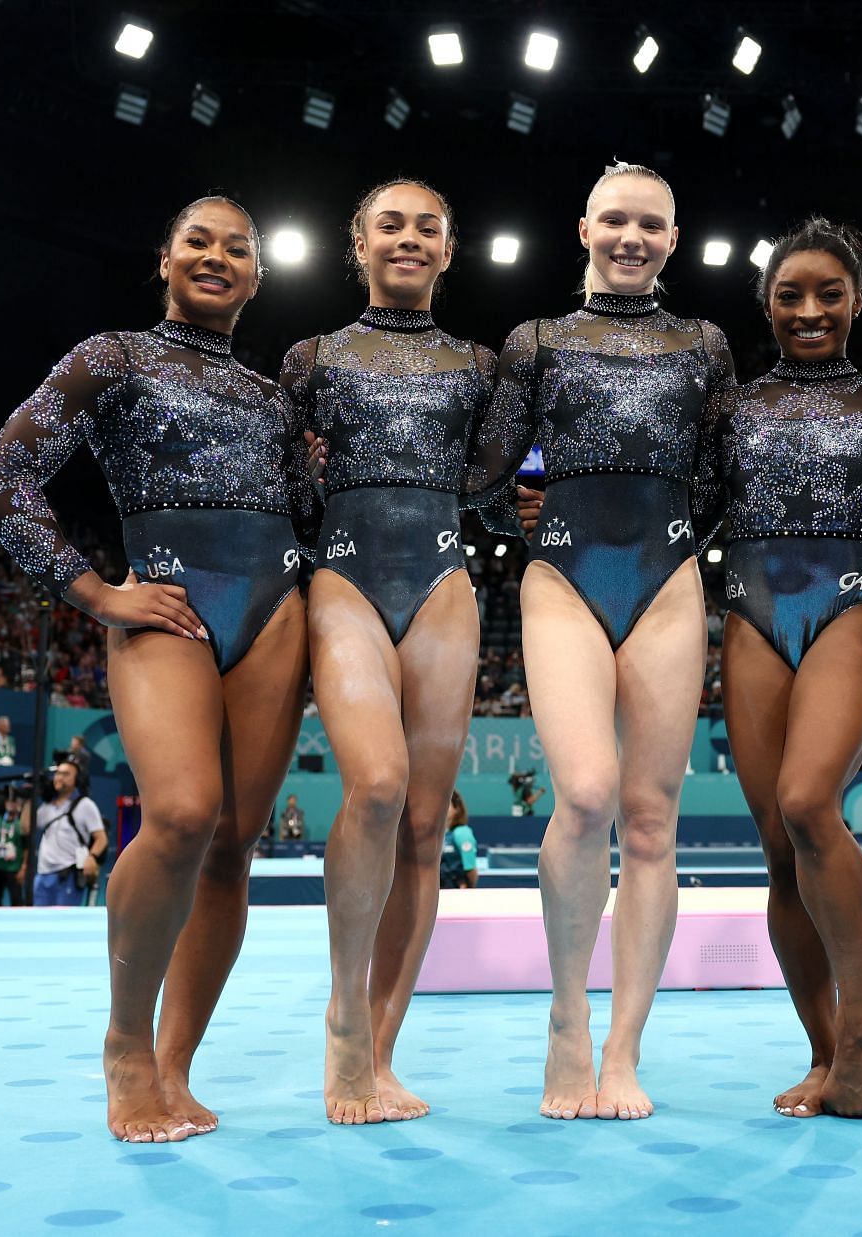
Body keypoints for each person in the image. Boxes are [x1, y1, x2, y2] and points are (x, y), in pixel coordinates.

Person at [0, 195, 318, 1143]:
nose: (216, 257)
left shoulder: (271, 396)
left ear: (257, 274)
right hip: (165, 602)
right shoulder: (110, 357)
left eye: (236, 248)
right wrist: (95, 592)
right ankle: (126, 1045)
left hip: (276, 613)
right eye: (197, 242)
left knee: (232, 845)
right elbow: (1, 480)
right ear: (164, 258)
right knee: (177, 814)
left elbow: (312, 516)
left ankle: (175, 1065)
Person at [468, 161, 735, 1121]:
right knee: (584, 793)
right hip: (563, 576)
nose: (632, 236)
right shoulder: (536, 340)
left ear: (673, 237)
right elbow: (483, 470)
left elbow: (721, 473)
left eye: (650, 225)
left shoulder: (705, 344)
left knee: (653, 820)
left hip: (666, 581)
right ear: (583, 229)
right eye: (615, 220)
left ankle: (625, 1048)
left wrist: (680, 544)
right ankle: (567, 1019)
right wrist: (520, 519)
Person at [700, 216, 862, 1118]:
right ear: (767, 306)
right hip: (751, 617)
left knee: (807, 805)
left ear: (856, 302)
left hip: (842, 610)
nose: (808, 309)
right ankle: (827, 1050)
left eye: (828, 293)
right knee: (774, 846)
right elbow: (693, 512)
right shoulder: (733, 410)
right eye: (790, 295)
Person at [280, 179, 495, 1126]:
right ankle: (341, 1018)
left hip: (445, 584)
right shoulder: (312, 358)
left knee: (421, 824)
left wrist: (525, 499)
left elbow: (501, 473)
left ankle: (380, 1042)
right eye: (390, 225)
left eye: (428, 229)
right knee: (373, 785)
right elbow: (279, 481)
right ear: (356, 243)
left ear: (449, 252)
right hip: (345, 576)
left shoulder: (482, 364)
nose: (409, 239)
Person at [34, 760, 107, 905]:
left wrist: (91, 857)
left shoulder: (85, 805)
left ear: (77, 780)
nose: (59, 777)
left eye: (66, 774)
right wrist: (29, 797)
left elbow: (101, 838)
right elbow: (25, 828)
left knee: (63, 923)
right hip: (42, 875)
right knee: (39, 923)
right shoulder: (46, 807)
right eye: (58, 773)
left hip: (68, 875)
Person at [0, 788, 32, 906]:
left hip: (13, 868)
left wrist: (23, 868)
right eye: (9, 802)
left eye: (15, 802)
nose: (12, 805)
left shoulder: (21, 823)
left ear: (19, 805)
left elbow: (26, 847)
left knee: (17, 900)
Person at [442, 791, 478, 890]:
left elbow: (470, 868)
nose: (441, 809)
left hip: (457, 890)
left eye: (446, 805)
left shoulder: (462, 833)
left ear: (457, 809)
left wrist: (468, 891)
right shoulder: (440, 833)